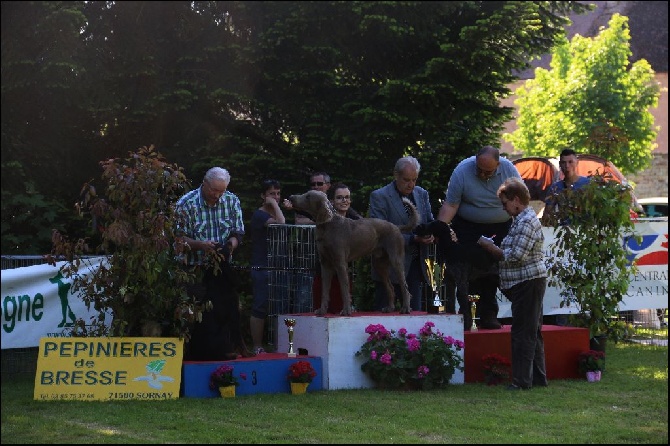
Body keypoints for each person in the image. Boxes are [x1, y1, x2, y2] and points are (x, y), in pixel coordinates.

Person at [435, 145, 521, 329]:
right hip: (468, 227)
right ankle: (469, 316)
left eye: (488, 171)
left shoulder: (509, 170)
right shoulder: (462, 171)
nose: (482, 175)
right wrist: (439, 229)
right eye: (479, 170)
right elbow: (450, 205)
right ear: (475, 160)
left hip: (500, 226)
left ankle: (489, 315)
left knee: (493, 273)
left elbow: (519, 203)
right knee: (470, 271)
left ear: (498, 165)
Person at [477, 177, 548, 390]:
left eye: (505, 203)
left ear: (516, 200)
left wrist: (489, 247)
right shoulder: (521, 219)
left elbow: (515, 255)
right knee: (531, 332)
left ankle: (521, 382)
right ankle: (537, 378)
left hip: (528, 283)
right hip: (527, 283)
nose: (504, 208)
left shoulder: (526, 221)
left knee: (522, 334)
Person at [175, 167, 250, 360]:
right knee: (195, 314)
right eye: (213, 190)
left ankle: (226, 349)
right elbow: (178, 239)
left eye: (221, 191)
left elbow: (238, 233)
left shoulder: (232, 201)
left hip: (222, 270)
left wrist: (230, 246)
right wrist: (200, 245)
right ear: (204, 183)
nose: (216, 195)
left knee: (225, 311)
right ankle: (189, 356)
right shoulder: (185, 204)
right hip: (194, 270)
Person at [368, 156, 435, 312]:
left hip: (415, 265)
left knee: (414, 313)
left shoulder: (422, 194)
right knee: (384, 314)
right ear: (395, 175)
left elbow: (429, 221)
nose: (411, 184)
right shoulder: (380, 196)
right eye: (406, 180)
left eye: (414, 180)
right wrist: (413, 239)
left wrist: (431, 234)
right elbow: (379, 233)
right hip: (388, 264)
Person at [281, 171, 332, 312]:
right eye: (313, 184)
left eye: (319, 184)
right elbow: (299, 221)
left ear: (328, 186)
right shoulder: (304, 202)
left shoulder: (333, 202)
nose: (316, 186)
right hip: (306, 258)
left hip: (330, 258)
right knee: (304, 299)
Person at [311, 183, 362, 313]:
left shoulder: (355, 220)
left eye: (347, 197)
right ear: (332, 201)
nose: (344, 200)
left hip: (344, 278)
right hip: (324, 276)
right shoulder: (323, 219)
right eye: (340, 197)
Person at [249, 179, 287, 355]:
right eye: (272, 194)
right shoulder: (260, 215)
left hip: (277, 266)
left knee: (278, 305)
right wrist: (274, 204)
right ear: (263, 196)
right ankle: (257, 345)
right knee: (260, 305)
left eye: (278, 193)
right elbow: (281, 222)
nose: (276, 197)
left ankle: (278, 343)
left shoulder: (274, 212)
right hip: (261, 266)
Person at [541, 148, 590, 225]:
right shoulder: (555, 188)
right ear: (560, 164)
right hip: (564, 231)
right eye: (564, 162)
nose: (567, 166)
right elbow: (547, 215)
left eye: (570, 162)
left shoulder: (588, 184)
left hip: (586, 229)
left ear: (577, 163)